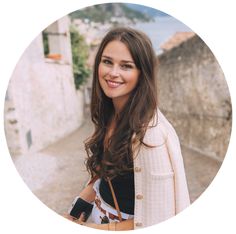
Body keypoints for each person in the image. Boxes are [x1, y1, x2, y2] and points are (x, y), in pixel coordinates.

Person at [65, 27, 190, 230]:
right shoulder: (111, 113)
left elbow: (158, 218)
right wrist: (77, 208)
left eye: (126, 66)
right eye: (107, 62)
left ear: (142, 73)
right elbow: (103, 175)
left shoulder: (150, 134)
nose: (113, 73)